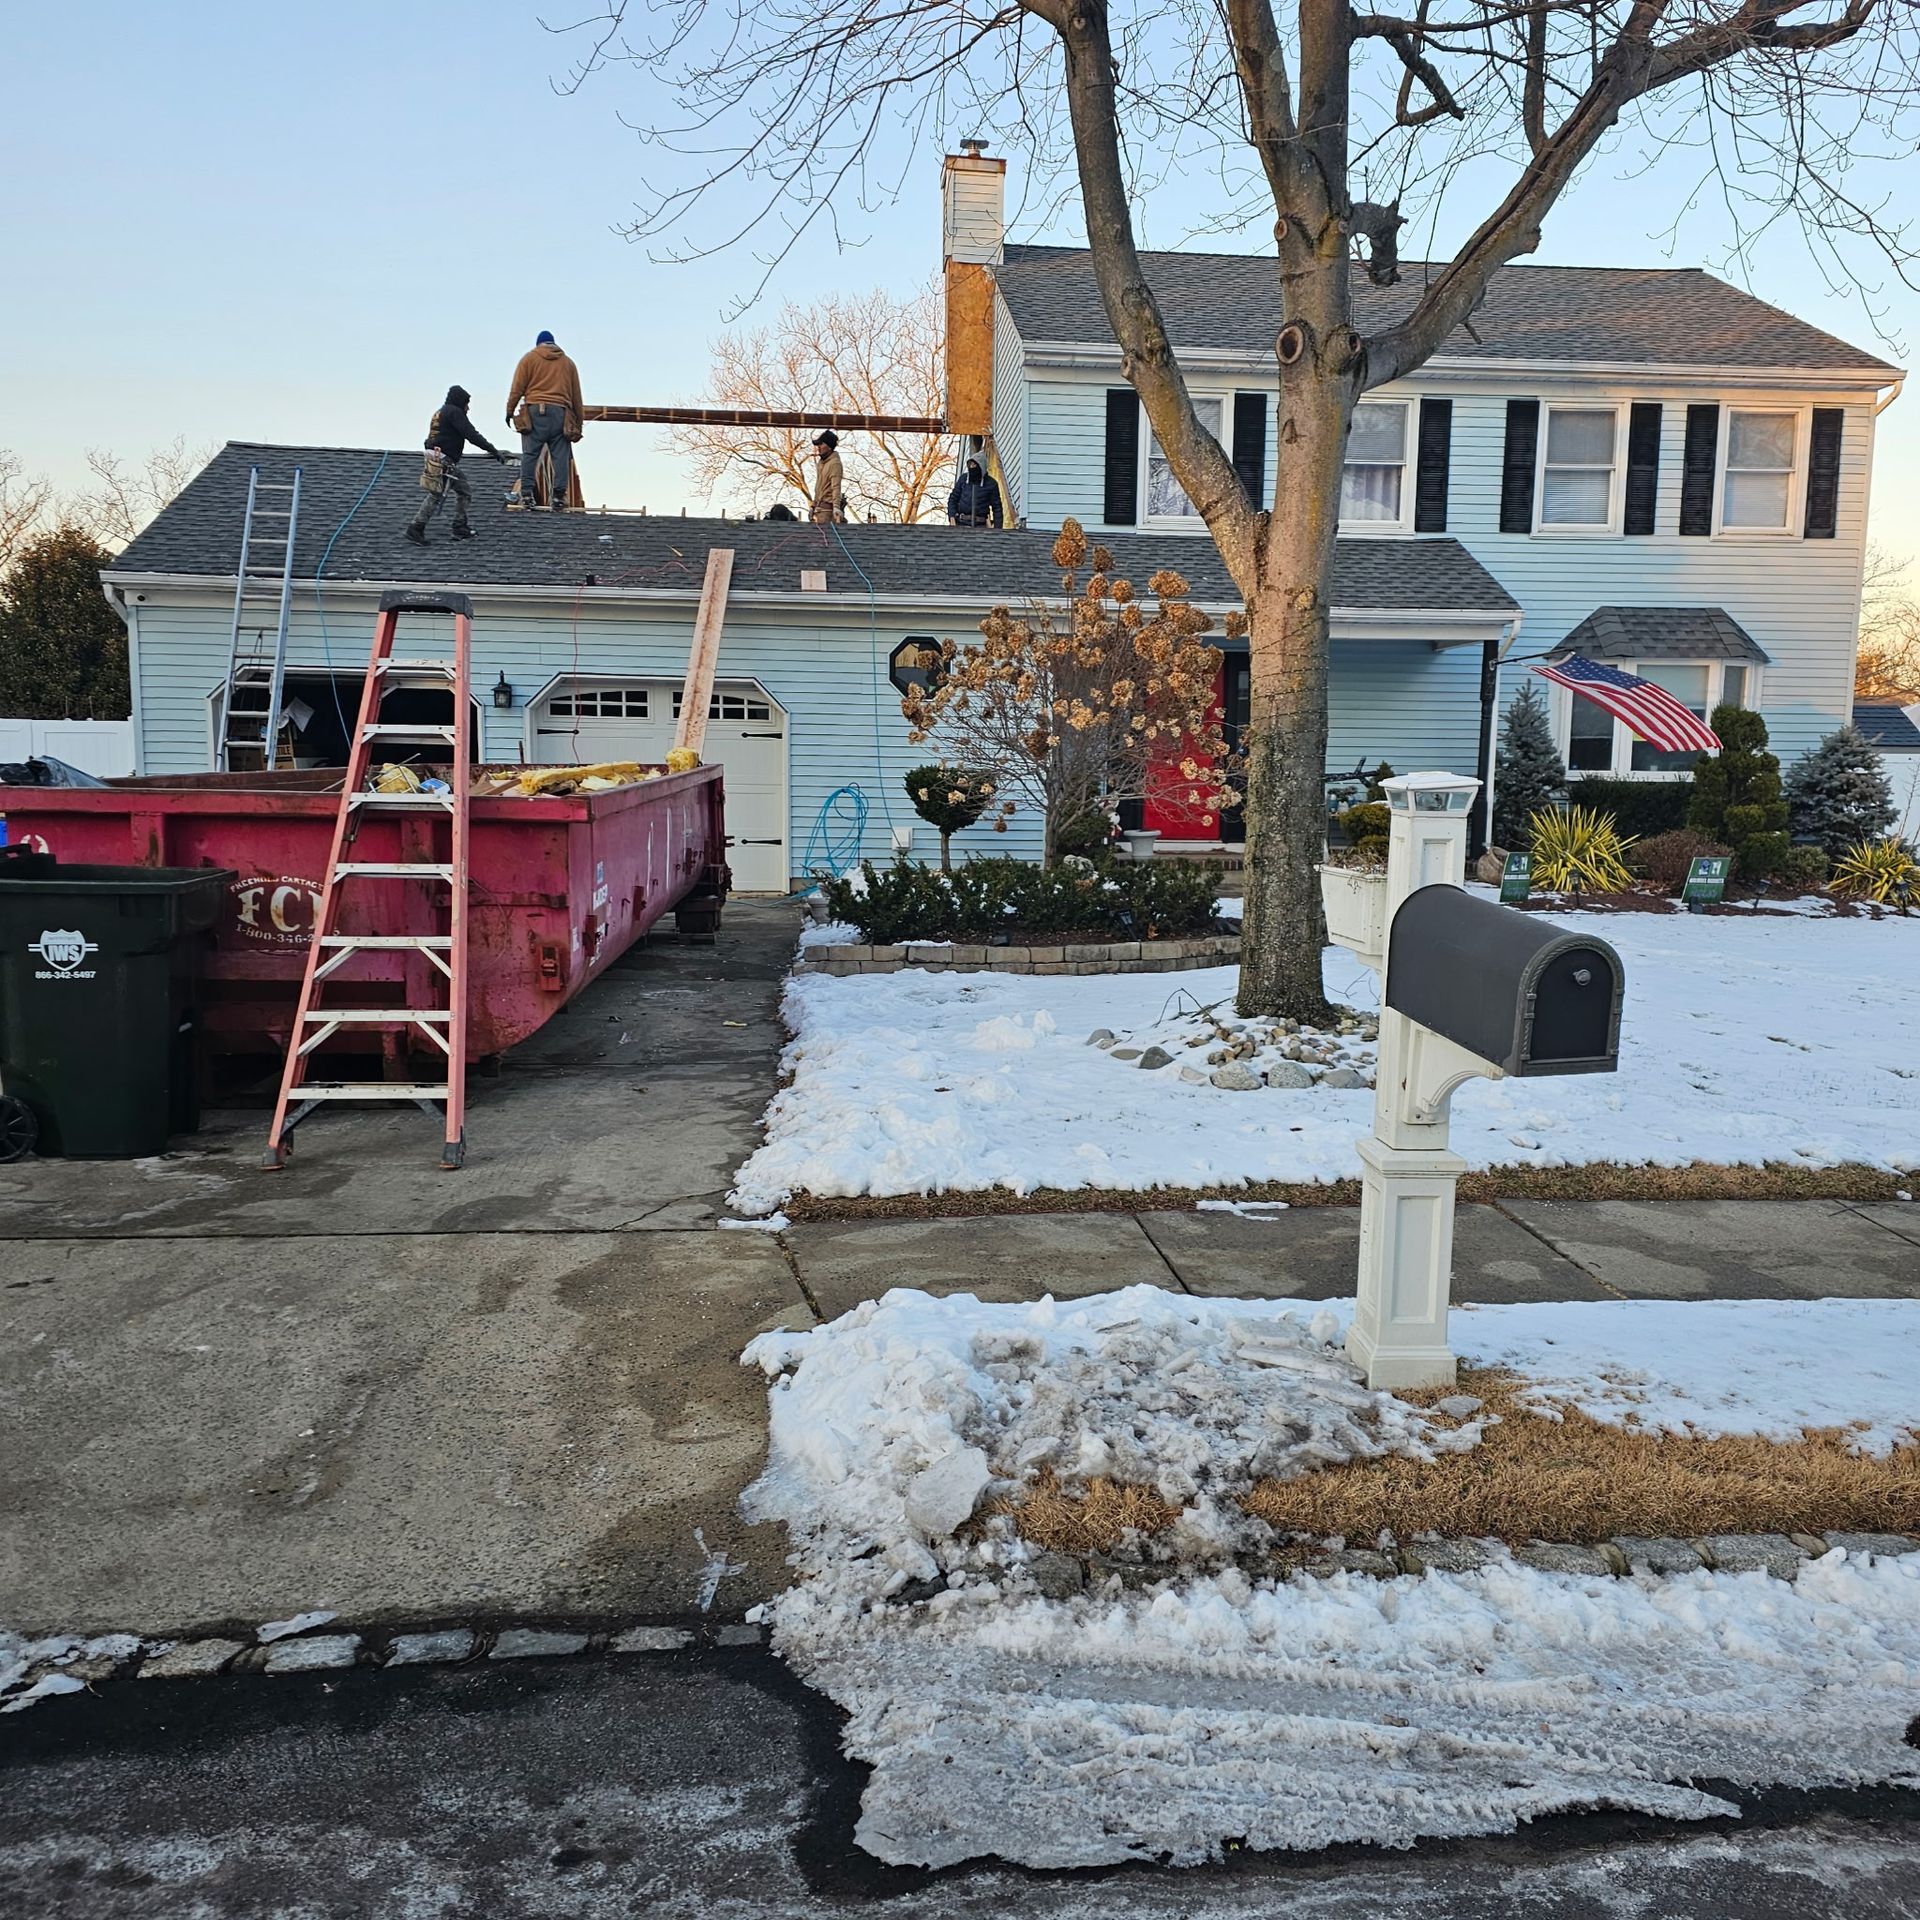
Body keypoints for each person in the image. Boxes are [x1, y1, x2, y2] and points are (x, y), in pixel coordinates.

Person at [407, 385, 507, 545]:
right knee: (438, 494)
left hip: (436, 457)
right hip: (444, 460)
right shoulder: (454, 412)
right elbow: (471, 434)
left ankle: (459, 526)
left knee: (463, 490)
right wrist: (493, 450)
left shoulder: (439, 413)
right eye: (466, 404)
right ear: (460, 401)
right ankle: (417, 527)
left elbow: (431, 437)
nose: (468, 408)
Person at [506, 330, 585, 511]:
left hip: (534, 412)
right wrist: (578, 423)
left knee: (530, 454)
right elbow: (576, 397)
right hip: (560, 413)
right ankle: (558, 496)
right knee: (560, 456)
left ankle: (526, 495)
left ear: (538, 344)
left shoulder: (529, 359)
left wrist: (509, 410)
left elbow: (517, 388)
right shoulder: (568, 364)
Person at [947, 456, 1003, 528]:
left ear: (981, 466)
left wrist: (997, 529)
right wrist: (952, 518)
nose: (972, 467)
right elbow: (953, 499)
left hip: (981, 525)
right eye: (970, 465)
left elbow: (997, 507)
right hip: (961, 523)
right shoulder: (963, 479)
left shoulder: (991, 483)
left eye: (974, 465)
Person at [808, 430, 844, 524]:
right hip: (818, 510)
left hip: (827, 512)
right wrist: (813, 506)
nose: (818, 447)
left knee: (824, 537)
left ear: (829, 447)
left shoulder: (835, 463)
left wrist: (836, 507)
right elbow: (818, 488)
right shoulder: (821, 463)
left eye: (821, 444)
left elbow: (836, 487)